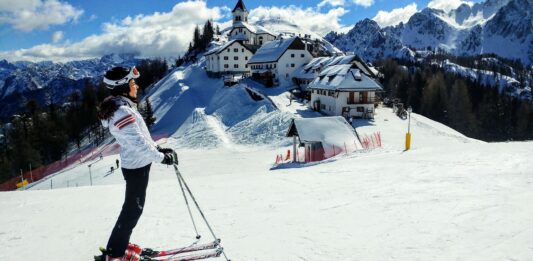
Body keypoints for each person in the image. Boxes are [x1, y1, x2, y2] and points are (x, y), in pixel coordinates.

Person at [96, 66, 178, 261]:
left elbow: (139, 138)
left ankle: (119, 245)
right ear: (123, 87)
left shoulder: (121, 107)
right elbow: (138, 143)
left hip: (137, 163)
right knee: (133, 209)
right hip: (136, 165)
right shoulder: (122, 112)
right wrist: (161, 158)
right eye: (133, 83)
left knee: (132, 208)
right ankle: (116, 253)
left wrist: (157, 149)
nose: (136, 86)